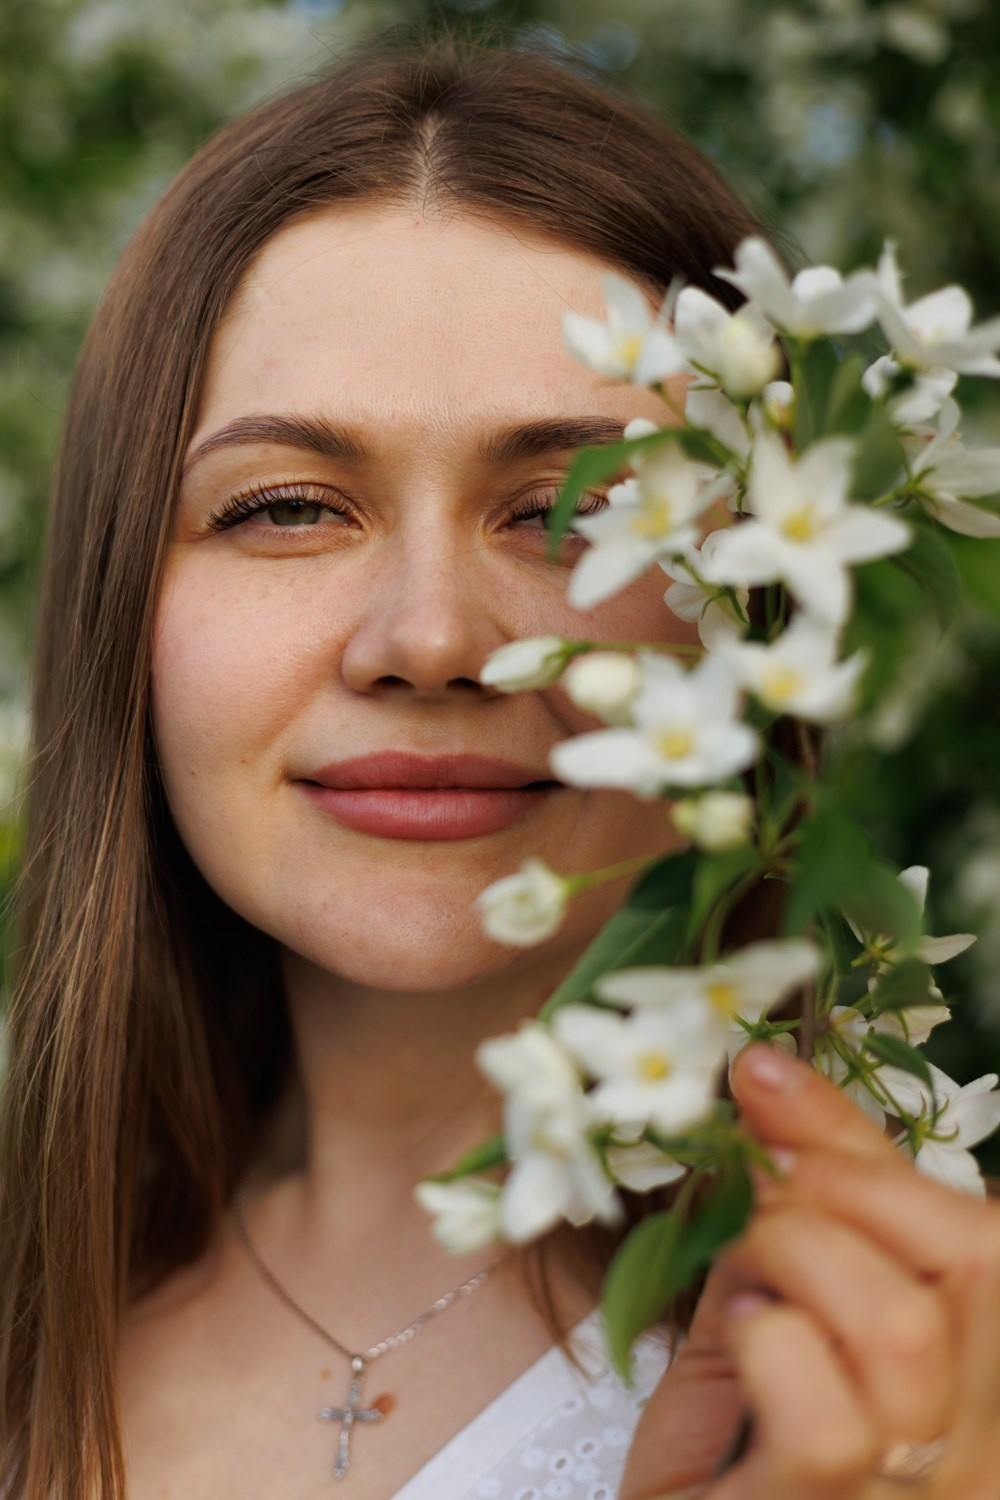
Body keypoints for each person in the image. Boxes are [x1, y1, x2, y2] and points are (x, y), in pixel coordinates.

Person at [2, 30, 999, 1500]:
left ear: (756, 607)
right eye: (286, 507)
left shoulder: (922, 1365)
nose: (428, 638)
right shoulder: (32, 1321)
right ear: (121, 609)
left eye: (574, 511)